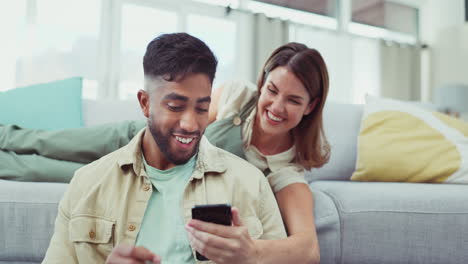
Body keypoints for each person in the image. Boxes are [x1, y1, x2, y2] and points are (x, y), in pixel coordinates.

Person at [2, 37, 330, 264]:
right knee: (47, 143)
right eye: (271, 90)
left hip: (179, 154)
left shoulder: (284, 169)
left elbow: (307, 249)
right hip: (139, 137)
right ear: (262, 84)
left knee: (35, 170)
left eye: (293, 100)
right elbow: (189, 122)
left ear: (310, 106)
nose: (275, 105)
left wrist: (251, 252)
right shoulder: (237, 97)